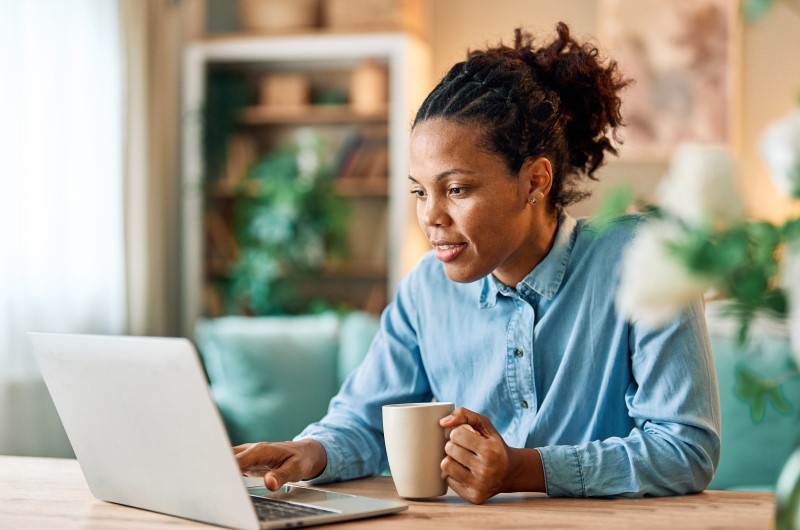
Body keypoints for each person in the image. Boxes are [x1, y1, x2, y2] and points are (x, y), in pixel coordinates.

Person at [234, 22, 721, 504]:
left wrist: (524, 469)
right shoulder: (426, 289)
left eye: (457, 189)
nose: (430, 216)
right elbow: (363, 422)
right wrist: (310, 451)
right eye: (420, 191)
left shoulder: (643, 260)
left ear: (535, 181)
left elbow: (686, 448)